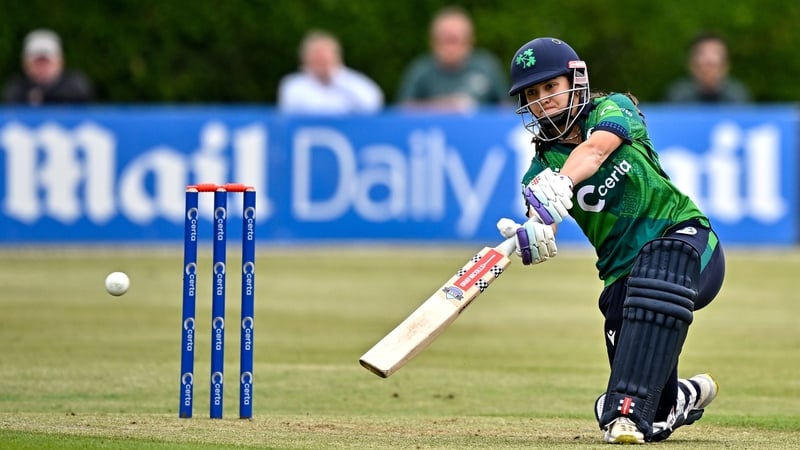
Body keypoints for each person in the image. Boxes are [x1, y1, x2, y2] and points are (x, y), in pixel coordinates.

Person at [498, 37, 726, 444]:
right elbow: (543, 220)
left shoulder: (613, 108)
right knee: (648, 416)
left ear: (576, 80)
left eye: (551, 87)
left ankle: (632, 404)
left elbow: (597, 150)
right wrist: (533, 233)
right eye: (532, 94)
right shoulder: (537, 171)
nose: (543, 100)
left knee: (660, 265)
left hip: (688, 242)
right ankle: (681, 397)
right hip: (623, 278)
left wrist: (562, 181)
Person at [396, 6, 507, 111]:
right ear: (433, 41)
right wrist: (443, 107)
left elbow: (505, 107)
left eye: (455, 40)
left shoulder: (487, 66)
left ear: (470, 41)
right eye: (446, 40)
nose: (451, 48)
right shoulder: (420, 70)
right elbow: (403, 110)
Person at [277, 30, 383, 115]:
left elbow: (373, 104)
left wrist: (336, 78)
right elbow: (289, 112)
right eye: (316, 57)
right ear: (305, 59)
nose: (321, 61)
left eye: (325, 57)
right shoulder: (293, 85)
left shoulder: (354, 82)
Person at [3, 29, 94, 105]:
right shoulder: (17, 87)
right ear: (25, 64)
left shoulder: (75, 85)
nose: (42, 68)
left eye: (47, 62)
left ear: (60, 62)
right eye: (37, 63)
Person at [664, 32, 751, 103]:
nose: (710, 59)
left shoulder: (737, 95)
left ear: (726, 65)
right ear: (691, 64)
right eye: (703, 55)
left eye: (716, 53)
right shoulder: (678, 94)